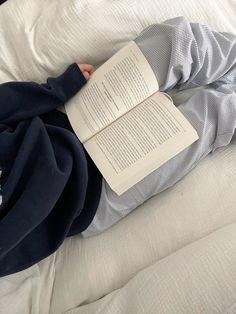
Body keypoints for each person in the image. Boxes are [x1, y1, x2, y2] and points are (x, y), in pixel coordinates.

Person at [0, 16, 236, 276]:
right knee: (207, 121)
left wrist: (57, 89)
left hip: (70, 119)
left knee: (174, 42)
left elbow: (5, 104)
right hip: (95, 197)